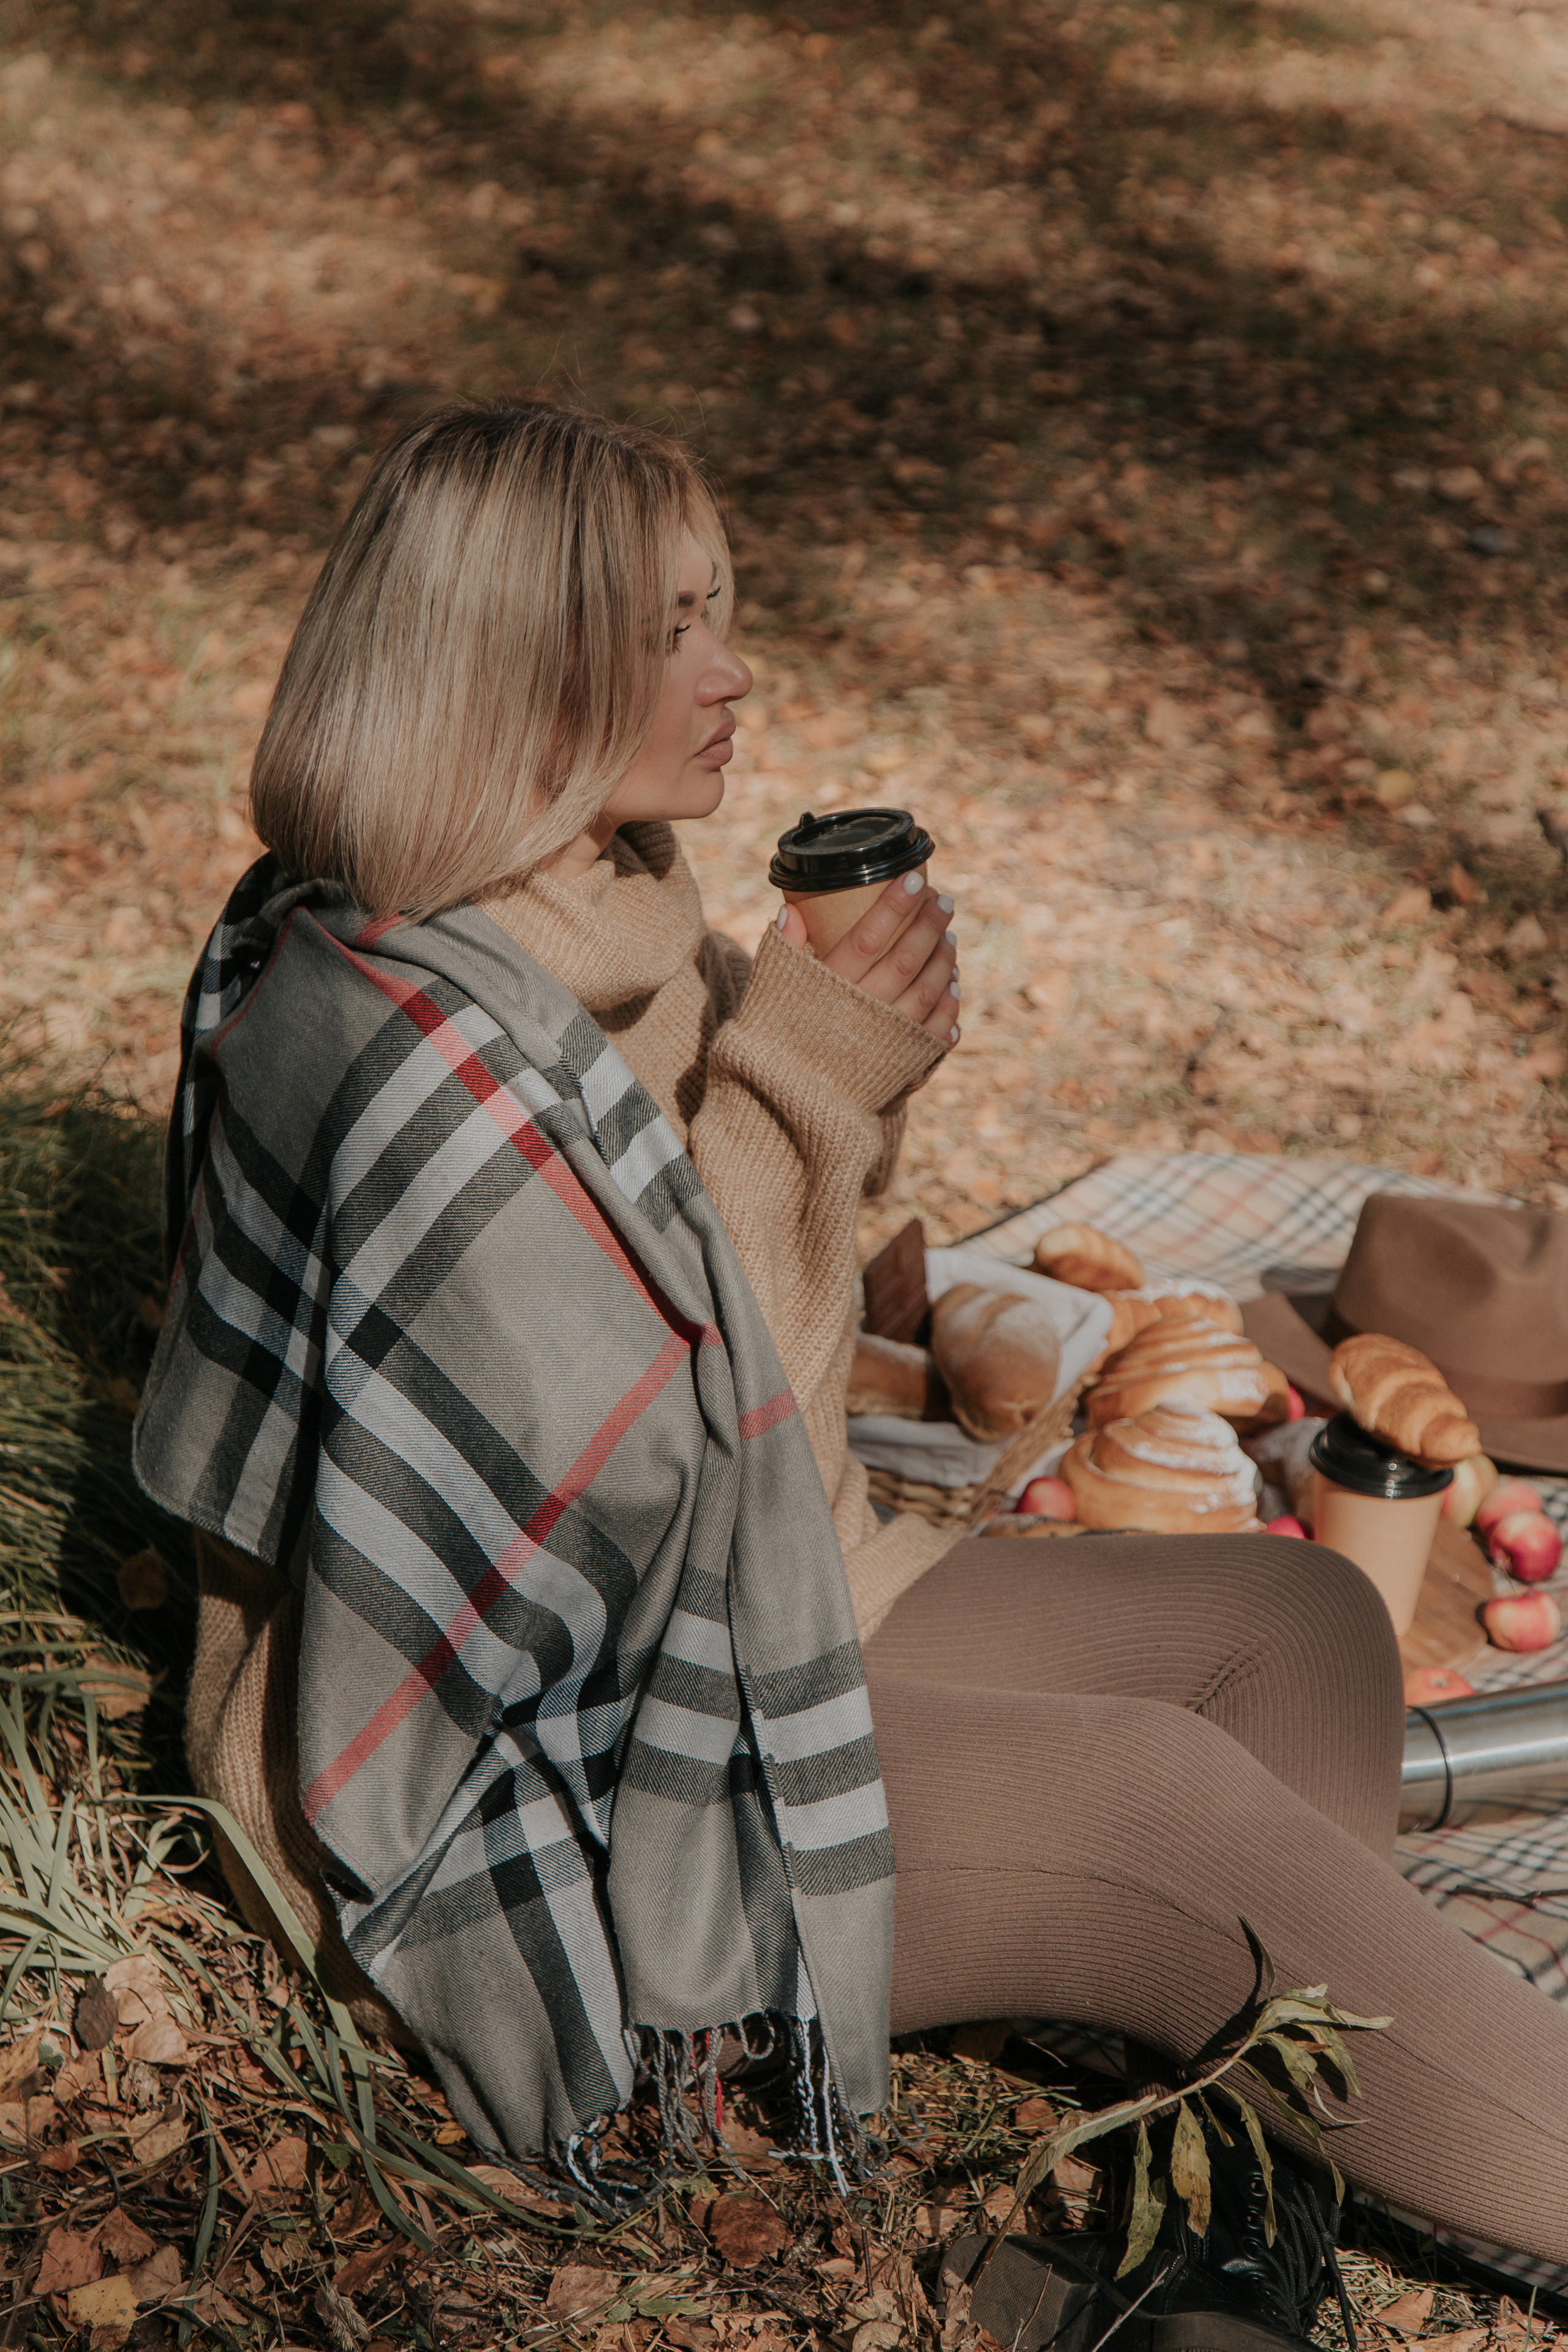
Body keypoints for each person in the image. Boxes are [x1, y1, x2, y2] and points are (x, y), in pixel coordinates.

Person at [134, 401, 1568, 2323]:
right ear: (519, 673)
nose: (734, 675)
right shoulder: (424, 1055)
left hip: (762, 1593)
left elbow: (744, 1345)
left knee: (1294, 1629)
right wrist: (805, 1079)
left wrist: (833, 1082)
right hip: (560, 1772)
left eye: (726, 611)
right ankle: (1281, 2148)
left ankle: (1223, 2234)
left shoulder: (603, 906)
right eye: (674, 630)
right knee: (1165, 1799)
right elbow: (628, 1510)